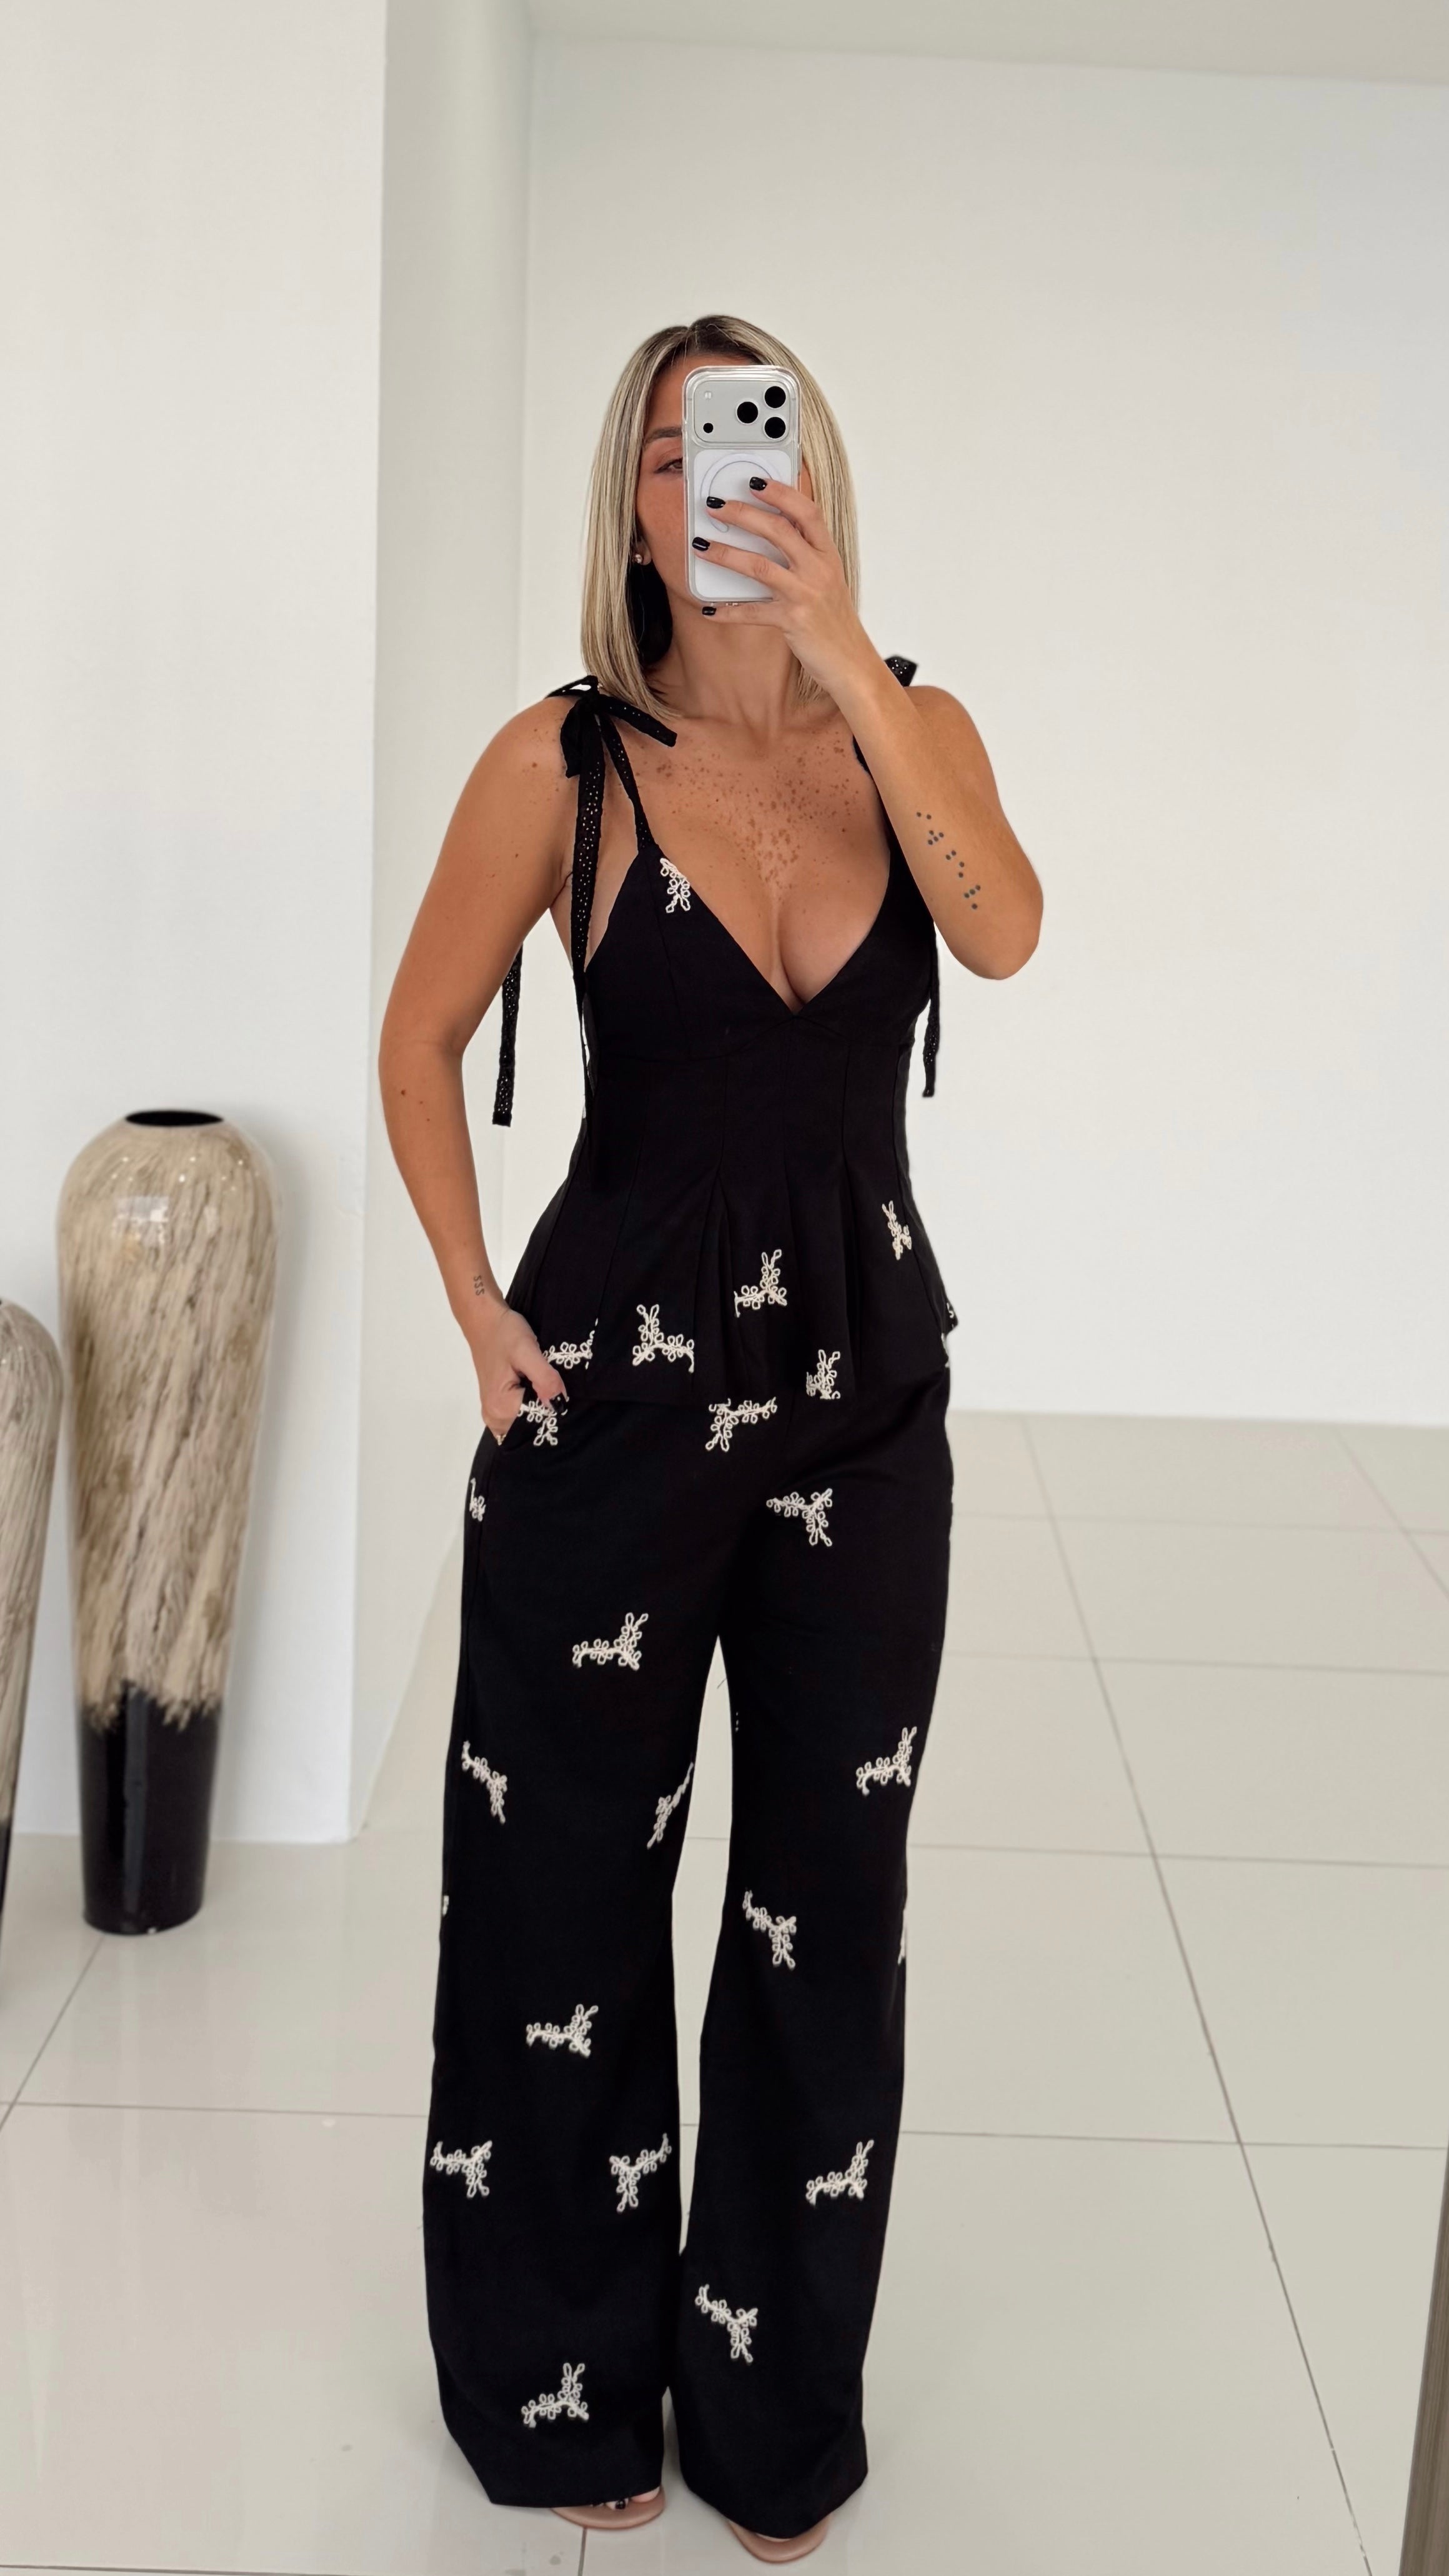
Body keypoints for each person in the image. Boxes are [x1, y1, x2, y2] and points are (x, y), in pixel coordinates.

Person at [378, 314, 1042, 2563]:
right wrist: (474, 1305)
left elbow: (1008, 933)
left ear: (813, 478)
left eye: (752, 443)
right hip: (614, 1403)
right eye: (672, 454)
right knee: (561, 1889)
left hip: (867, 1407)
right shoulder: (557, 766)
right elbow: (417, 1037)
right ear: (631, 508)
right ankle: (559, 2381)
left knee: (828, 1902)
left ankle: (773, 2407)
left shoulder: (915, 724)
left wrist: (845, 663)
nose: (714, 483)